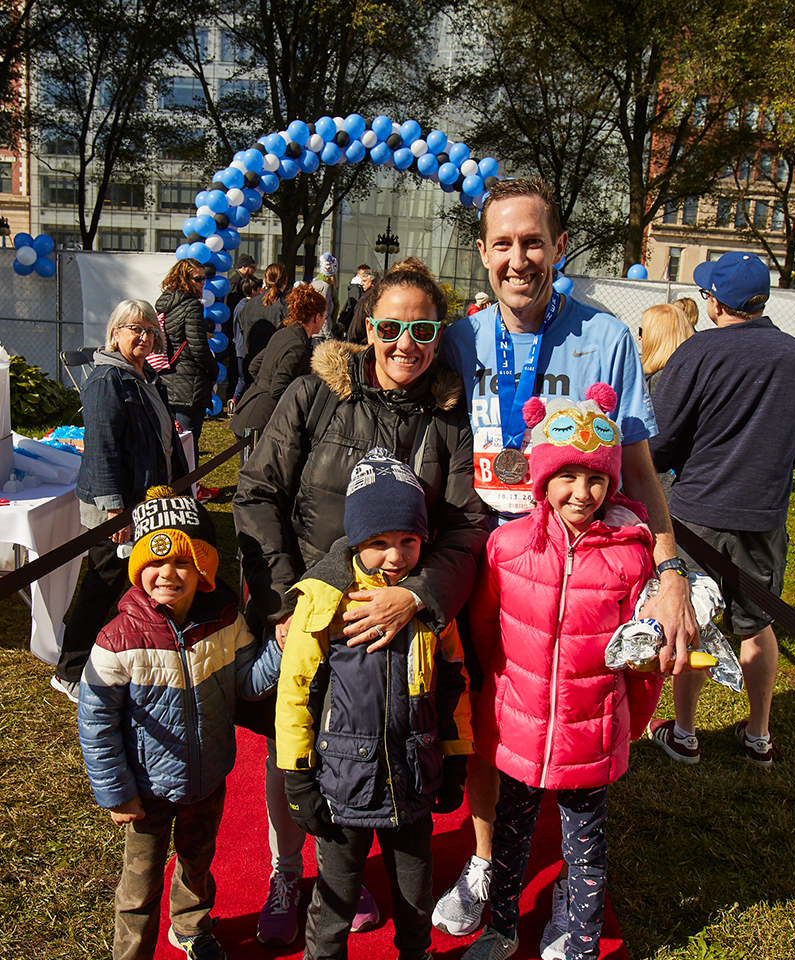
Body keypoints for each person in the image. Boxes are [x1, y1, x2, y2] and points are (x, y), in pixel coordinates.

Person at [436, 175, 695, 941]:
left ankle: (560, 871)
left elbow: (642, 470)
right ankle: (486, 860)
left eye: (533, 241)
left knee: (573, 708)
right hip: (483, 559)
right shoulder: (460, 339)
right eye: (504, 244)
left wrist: (671, 566)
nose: (519, 258)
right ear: (482, 253)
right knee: (487, 711)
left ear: (560, 246)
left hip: (575, 562)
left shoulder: (606, 338)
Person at [232, 266, 489, 947]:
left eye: (424, 329)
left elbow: (466, 525)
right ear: (366, 327)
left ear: (439, 334)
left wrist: (417, 595)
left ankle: (375, 880)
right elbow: (257, 494)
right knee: (299, 747)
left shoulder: (448, 418)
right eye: (391, 327)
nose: (407, 344)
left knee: (399, 747)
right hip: (319, 620)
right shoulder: (315, 394)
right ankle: (292, 872)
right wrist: (286, 601)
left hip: (405, 624)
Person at [459, 387, 662, 960]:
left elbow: (641, 660)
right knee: (511, 835)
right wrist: (501, 701)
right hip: (519, 728)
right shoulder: (506, 546)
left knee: (586, 849)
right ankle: (501, 928)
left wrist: (627, 722)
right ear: (541, 478)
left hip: (590, 733)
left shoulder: (630, 554)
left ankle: (581, 940)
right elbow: (485, 631)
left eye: (596, 478)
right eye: (567, 476)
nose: (581, 492)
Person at [275, 448, 474, 960]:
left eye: (408, 541)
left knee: (415, 895)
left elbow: (452, 683)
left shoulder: (428, 603)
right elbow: (295, 693)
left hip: (413, 780)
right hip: (344, 788)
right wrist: (298, 777)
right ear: (355, 540)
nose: (395, 556)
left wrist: (455, 756)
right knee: (335, 898)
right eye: (379, 543)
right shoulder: (324, 601)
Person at [78, 486, 282, 960]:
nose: (167, 573)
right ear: (137, 568)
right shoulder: (117, 639)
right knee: (140, 883)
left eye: (183, 563)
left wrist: (281, 645)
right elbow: (96, 723)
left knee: (197, 863)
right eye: (154, 562)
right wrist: (116, 791)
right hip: (146, 790)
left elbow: (248, 683)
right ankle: (131, 952)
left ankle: (190, 927)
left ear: (205, 569)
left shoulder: (227, 621)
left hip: (207, 778)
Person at [647, 251, 795, 768]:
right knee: (757, 625)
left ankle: (684, 733)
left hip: (696, 515)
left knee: (691, 623)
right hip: (762, 516)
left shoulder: (699, 353)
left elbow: (660, 440)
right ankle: (759, 735)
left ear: (714, 302)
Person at [51, 301, 189, 703]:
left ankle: (134, 657)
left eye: (149, 330)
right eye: (134, 329)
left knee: (139, 582)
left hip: (146, 502)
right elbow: (102, 449)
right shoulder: (107, 380)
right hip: (118, 508)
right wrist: (115, 513)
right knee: (101, 586)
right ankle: (69, 670)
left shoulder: (146, 379)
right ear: (115, 333)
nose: (143, 336)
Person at [229, 284, 326, 438]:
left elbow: (254, 366)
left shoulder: (283, 333)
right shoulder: (299, 346)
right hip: (261, 421)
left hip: (249, 410)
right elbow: (279, 388)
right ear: (317, 317)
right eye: (324, 317)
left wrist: (263, 383)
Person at [154, 258, 219, 452]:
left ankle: (171, 483)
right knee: (188, 444)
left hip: (164, 377)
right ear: (183, 279)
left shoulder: (164, 303)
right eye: (197, 278)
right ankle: (190, 483)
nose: (202, 283)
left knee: (168, 443)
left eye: (204, 278)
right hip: (188, 383)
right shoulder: (191, 305)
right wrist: (214, 370)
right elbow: (198, 346)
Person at [639, 303, 694, 500]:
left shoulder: (661, 381)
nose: (639, 337)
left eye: (642, 331)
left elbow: (658, 442)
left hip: (662, 484)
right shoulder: (693, 375)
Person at [239, 263, 289, 390]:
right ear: (285, 281)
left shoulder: (249, 305)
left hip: (249, 363)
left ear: (265, 279)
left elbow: (242, 330)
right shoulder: (286, 307)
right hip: (273, 369)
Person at [231, 274, 264, 405]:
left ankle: (236, 400)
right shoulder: (247, 307)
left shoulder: (240, 305)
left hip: (239, 345)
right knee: (245, 378)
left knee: (243, 377)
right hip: (244, 346)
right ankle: (236, 399)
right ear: (253, 291)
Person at [338, 263, 372, 334]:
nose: (363, 283)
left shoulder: (359, 290)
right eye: (363, 274)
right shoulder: (356, 289)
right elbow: (352, 307)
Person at [311, 252, 338, 341]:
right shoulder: (325, 287)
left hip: (314, 332)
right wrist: (329, 337)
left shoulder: (314, 283)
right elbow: (323, 314)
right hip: (321, 335)